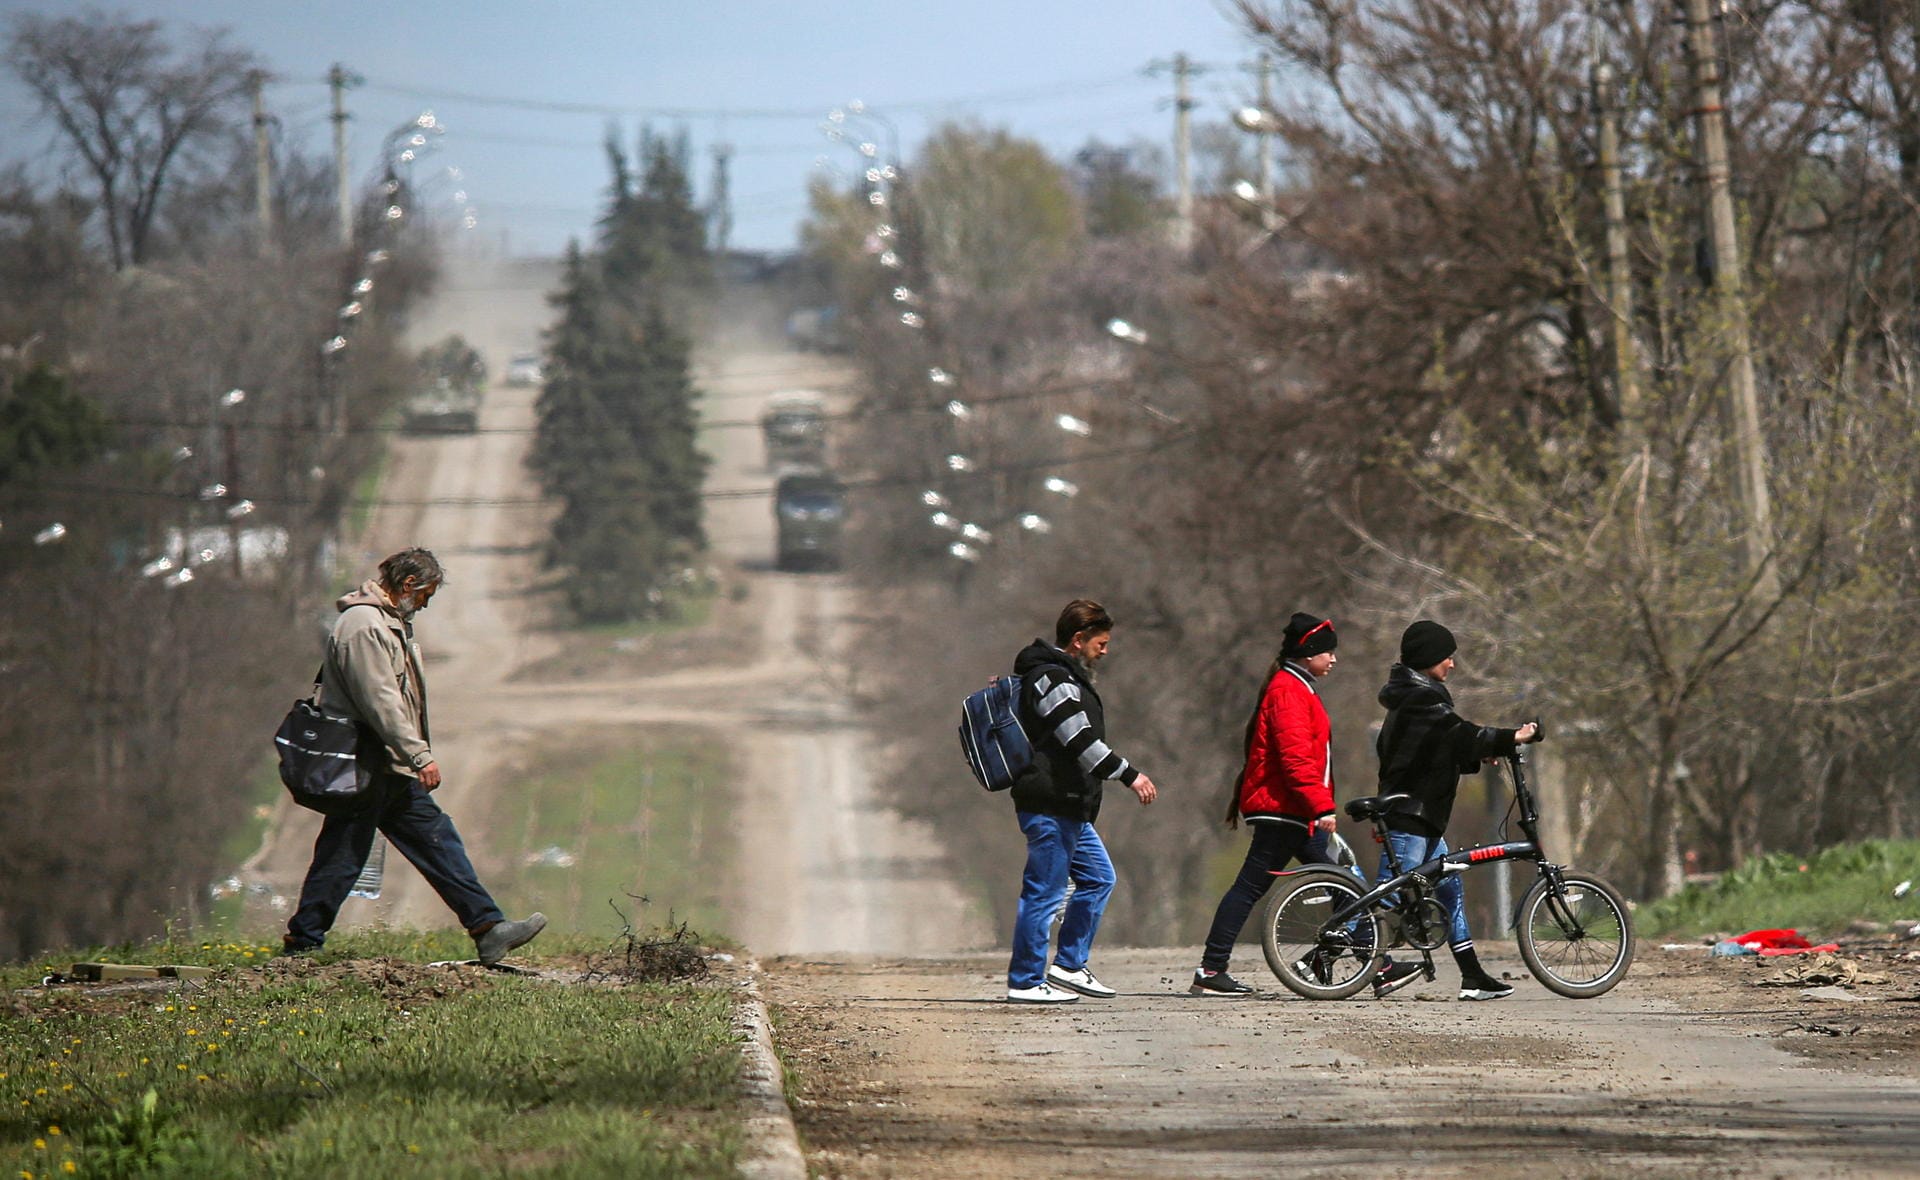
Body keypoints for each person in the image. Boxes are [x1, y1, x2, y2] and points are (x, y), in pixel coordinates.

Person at [283, 548, 546, 965]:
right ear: (409, 586)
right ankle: (303, 942)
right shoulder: (364, 626)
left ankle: (487, 927)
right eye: (426, 595)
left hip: (381, 762)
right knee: (345, 852)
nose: (425, 603)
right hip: (363, 759)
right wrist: (419, 756)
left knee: (434, 837)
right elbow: (381, 701)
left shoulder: (385, 622)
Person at [1191, 614, 1422, 998]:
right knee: (1267, 886)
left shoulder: (1296, 687)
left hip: (1291, 810)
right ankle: (1212, 969)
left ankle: (1377, 965)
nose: (1333, 660)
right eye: (1328, 652)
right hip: (1286, 811)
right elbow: (1295, 759)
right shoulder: (1288, 692)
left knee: (1344, 883)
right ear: (1308, 653)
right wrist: (1321, 806)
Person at [1003, 599, 1159, 1004]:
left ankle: (1069, 964)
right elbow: (1078, 740)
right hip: (1051, 803)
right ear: (1078, 640)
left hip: (1069, 806)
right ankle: (1025, 981)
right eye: (1101, 643)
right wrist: (1130, 774)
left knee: (1098, 878)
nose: (1105, 650)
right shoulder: (1054, 678)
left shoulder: (1060, 675)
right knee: (1044, 893)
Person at [1375, 619, 1539, 1001]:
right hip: (1410, 814)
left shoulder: (1418, 695)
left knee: (1449, 889)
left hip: (1425, 815)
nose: (1452, 664)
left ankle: (1472, 975)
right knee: (1386, 897)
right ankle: (1346, 961)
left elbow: (1438, 747)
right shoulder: (1421, 698)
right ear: (1428, 658)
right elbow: (1459, 733)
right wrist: (1508, 737)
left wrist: (1480, 753)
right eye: (1447, 657)